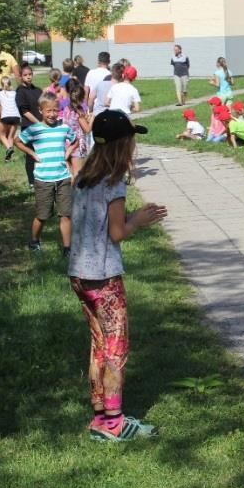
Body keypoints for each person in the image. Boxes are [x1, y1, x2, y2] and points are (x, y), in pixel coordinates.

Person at [68, 109, 166, 441]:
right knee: (115, 347)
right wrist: (138, 220)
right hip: (103, 278)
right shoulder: (114, 183)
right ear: (123, 145)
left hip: (80, 275)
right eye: (132, 140)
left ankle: (101, 417)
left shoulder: (82, 177)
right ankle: (114, 422)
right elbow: (117, 233)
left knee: (98, 344)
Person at [13, 92, 78, 255]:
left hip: (62, 177)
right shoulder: (35, 130)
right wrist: (32, 154)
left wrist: (69, 151)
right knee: (43, 215)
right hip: (43, 179)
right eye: (48, 111)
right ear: (40, 111)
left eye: (55, 110)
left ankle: (67, 248)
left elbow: (75, 139)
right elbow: (18, 141)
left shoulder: (64, 128)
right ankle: (34, 241)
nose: (52, 114)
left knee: (66, 214)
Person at [16, 65, 43, 188]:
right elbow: (24, 111)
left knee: (42, 152)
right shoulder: (20, 91)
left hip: (41, 125)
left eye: (30, 74)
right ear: (21, 77)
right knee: (31, 154)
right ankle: (32, 182)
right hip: (29, 126)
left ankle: (42, 177)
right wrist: (38, 122)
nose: (28, 77)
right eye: (25, 75)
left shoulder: (37, 90)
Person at [64, 82, 93, 178]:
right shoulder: (79, 111)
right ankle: (75, 193)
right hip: (77, 146)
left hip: (67, 143)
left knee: (70, 173)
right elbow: (87, 130)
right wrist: (92, 118)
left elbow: (75, 124)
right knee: (78, 174)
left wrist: (85, 119)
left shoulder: (67, 109)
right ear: (81, 98)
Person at [0, 76, 21, 161]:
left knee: (2, 136)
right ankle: (8, 158)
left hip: (5, 117)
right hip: (16, 117)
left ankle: (9, 148)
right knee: (11, 137)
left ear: (1, 85)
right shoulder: (15, 93)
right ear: (10, 84)